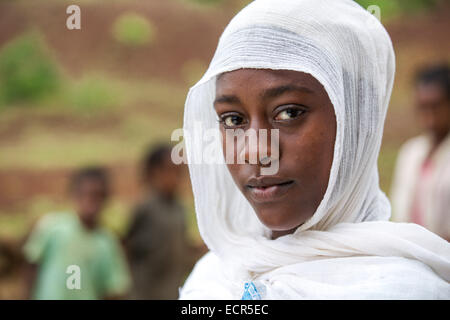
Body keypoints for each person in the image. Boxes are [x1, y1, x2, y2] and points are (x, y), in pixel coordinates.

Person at [179, 0, 450, 299]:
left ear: (356, 120)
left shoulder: (403, 290)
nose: (254, 152)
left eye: (289, 113)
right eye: (233, 119)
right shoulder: (212, 281)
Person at [23, 167, 130, 300]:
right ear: (74, 195)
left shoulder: (107, 243)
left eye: (97, 195)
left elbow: (114, 288)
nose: (91, 201)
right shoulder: (52, 227)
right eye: (86, 194)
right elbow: (32, 264)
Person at [391, 64, 450, 241]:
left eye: (436, 106)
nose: (429, 115)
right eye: (423, 107)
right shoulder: (411, 152)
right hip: (414, 257)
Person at [124, 144, 189, 299]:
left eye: (178, 173)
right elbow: (126, 247)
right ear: (153, 173)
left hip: (171, 291)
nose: (175, 179)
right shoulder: (144, 208)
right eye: (169, 171)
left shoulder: (179, 210)